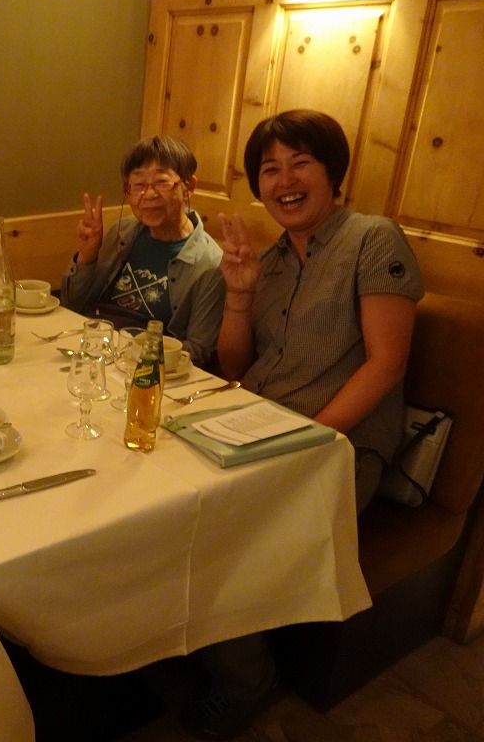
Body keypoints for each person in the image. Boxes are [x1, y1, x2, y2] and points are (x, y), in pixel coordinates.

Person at [182, 109, 424, 741]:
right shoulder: (267, 260)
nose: (284, 180)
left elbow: (387, 364)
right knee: (163, 497)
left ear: (332, 173)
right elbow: (237, 365)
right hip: (255, 425)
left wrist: (314, 440)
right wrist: (239, 294)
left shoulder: (373, 239)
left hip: (342, 445)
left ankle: (248, 679)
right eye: (270, 169)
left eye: (301, 163)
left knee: (217, 534)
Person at [61, 135, 225, 368]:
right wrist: (87, 256)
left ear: (188, 187)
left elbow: (199, 351)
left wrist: (131, 350)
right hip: (93, 350)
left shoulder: (210, 264)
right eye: (138, 185)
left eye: (161, 182)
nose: (149, 195)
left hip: (147, 369)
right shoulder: (121, 232)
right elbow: (71, 306)